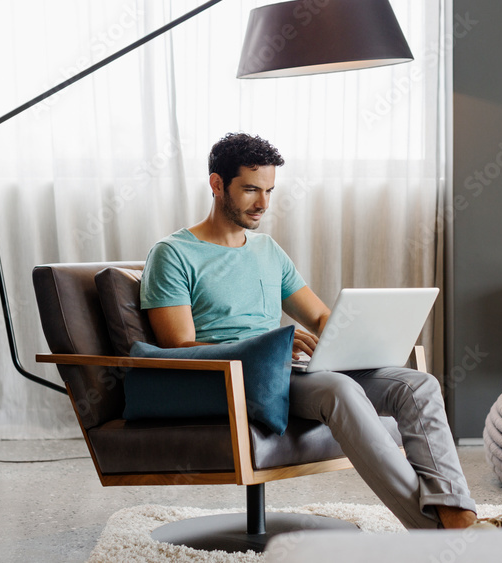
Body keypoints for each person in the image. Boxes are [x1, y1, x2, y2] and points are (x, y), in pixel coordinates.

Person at [139, 132, 478, 529]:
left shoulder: (267, 250)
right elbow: (178, 345)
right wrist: (270, 344)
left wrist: (361, 337)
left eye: (269, 190)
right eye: (250, 189)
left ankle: (456, 510)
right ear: (217, 184)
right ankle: (437, 531)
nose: (263, 203)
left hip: (289, 370)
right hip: (237, 379)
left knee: (418, 385)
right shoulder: (174, 254)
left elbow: (320, 318)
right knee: (339, 390)